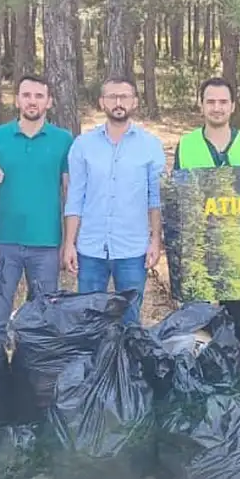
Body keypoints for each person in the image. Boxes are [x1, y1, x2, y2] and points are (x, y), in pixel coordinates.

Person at [63, 76, 165, 327]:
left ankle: (127, 365)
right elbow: (75, 197)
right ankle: (94, 366)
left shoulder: (150, 145)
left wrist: (155, 240)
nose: (118, 102)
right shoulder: (83, 145)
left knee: (129, 320)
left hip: (132, 249)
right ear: (102, 103)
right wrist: (69, 243)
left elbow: (155, 199)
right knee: (89, 319)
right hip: (90, 248)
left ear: (135, 103)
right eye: (112, 97)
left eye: (124, 97)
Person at [0, 74, 74, 333]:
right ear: (16, 100)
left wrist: (69, 242)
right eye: (27, 95)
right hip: (3, 242)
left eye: (39, 96)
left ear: (49, 102)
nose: (33, 101)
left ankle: (34, 370)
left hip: (46, 243)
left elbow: (70, 192)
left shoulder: (63, 140)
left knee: (43, 318)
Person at [173, 77, 240, 348]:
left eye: (223, 102)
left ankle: (234, 377)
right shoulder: (186, 144)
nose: (217, 107)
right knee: (195, 320)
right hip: (197, 249)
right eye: (210, 101)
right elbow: (178, 197)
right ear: (201, 106)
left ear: (233, 106)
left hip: (236, 249)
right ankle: (196, 377)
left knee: (233, 321)